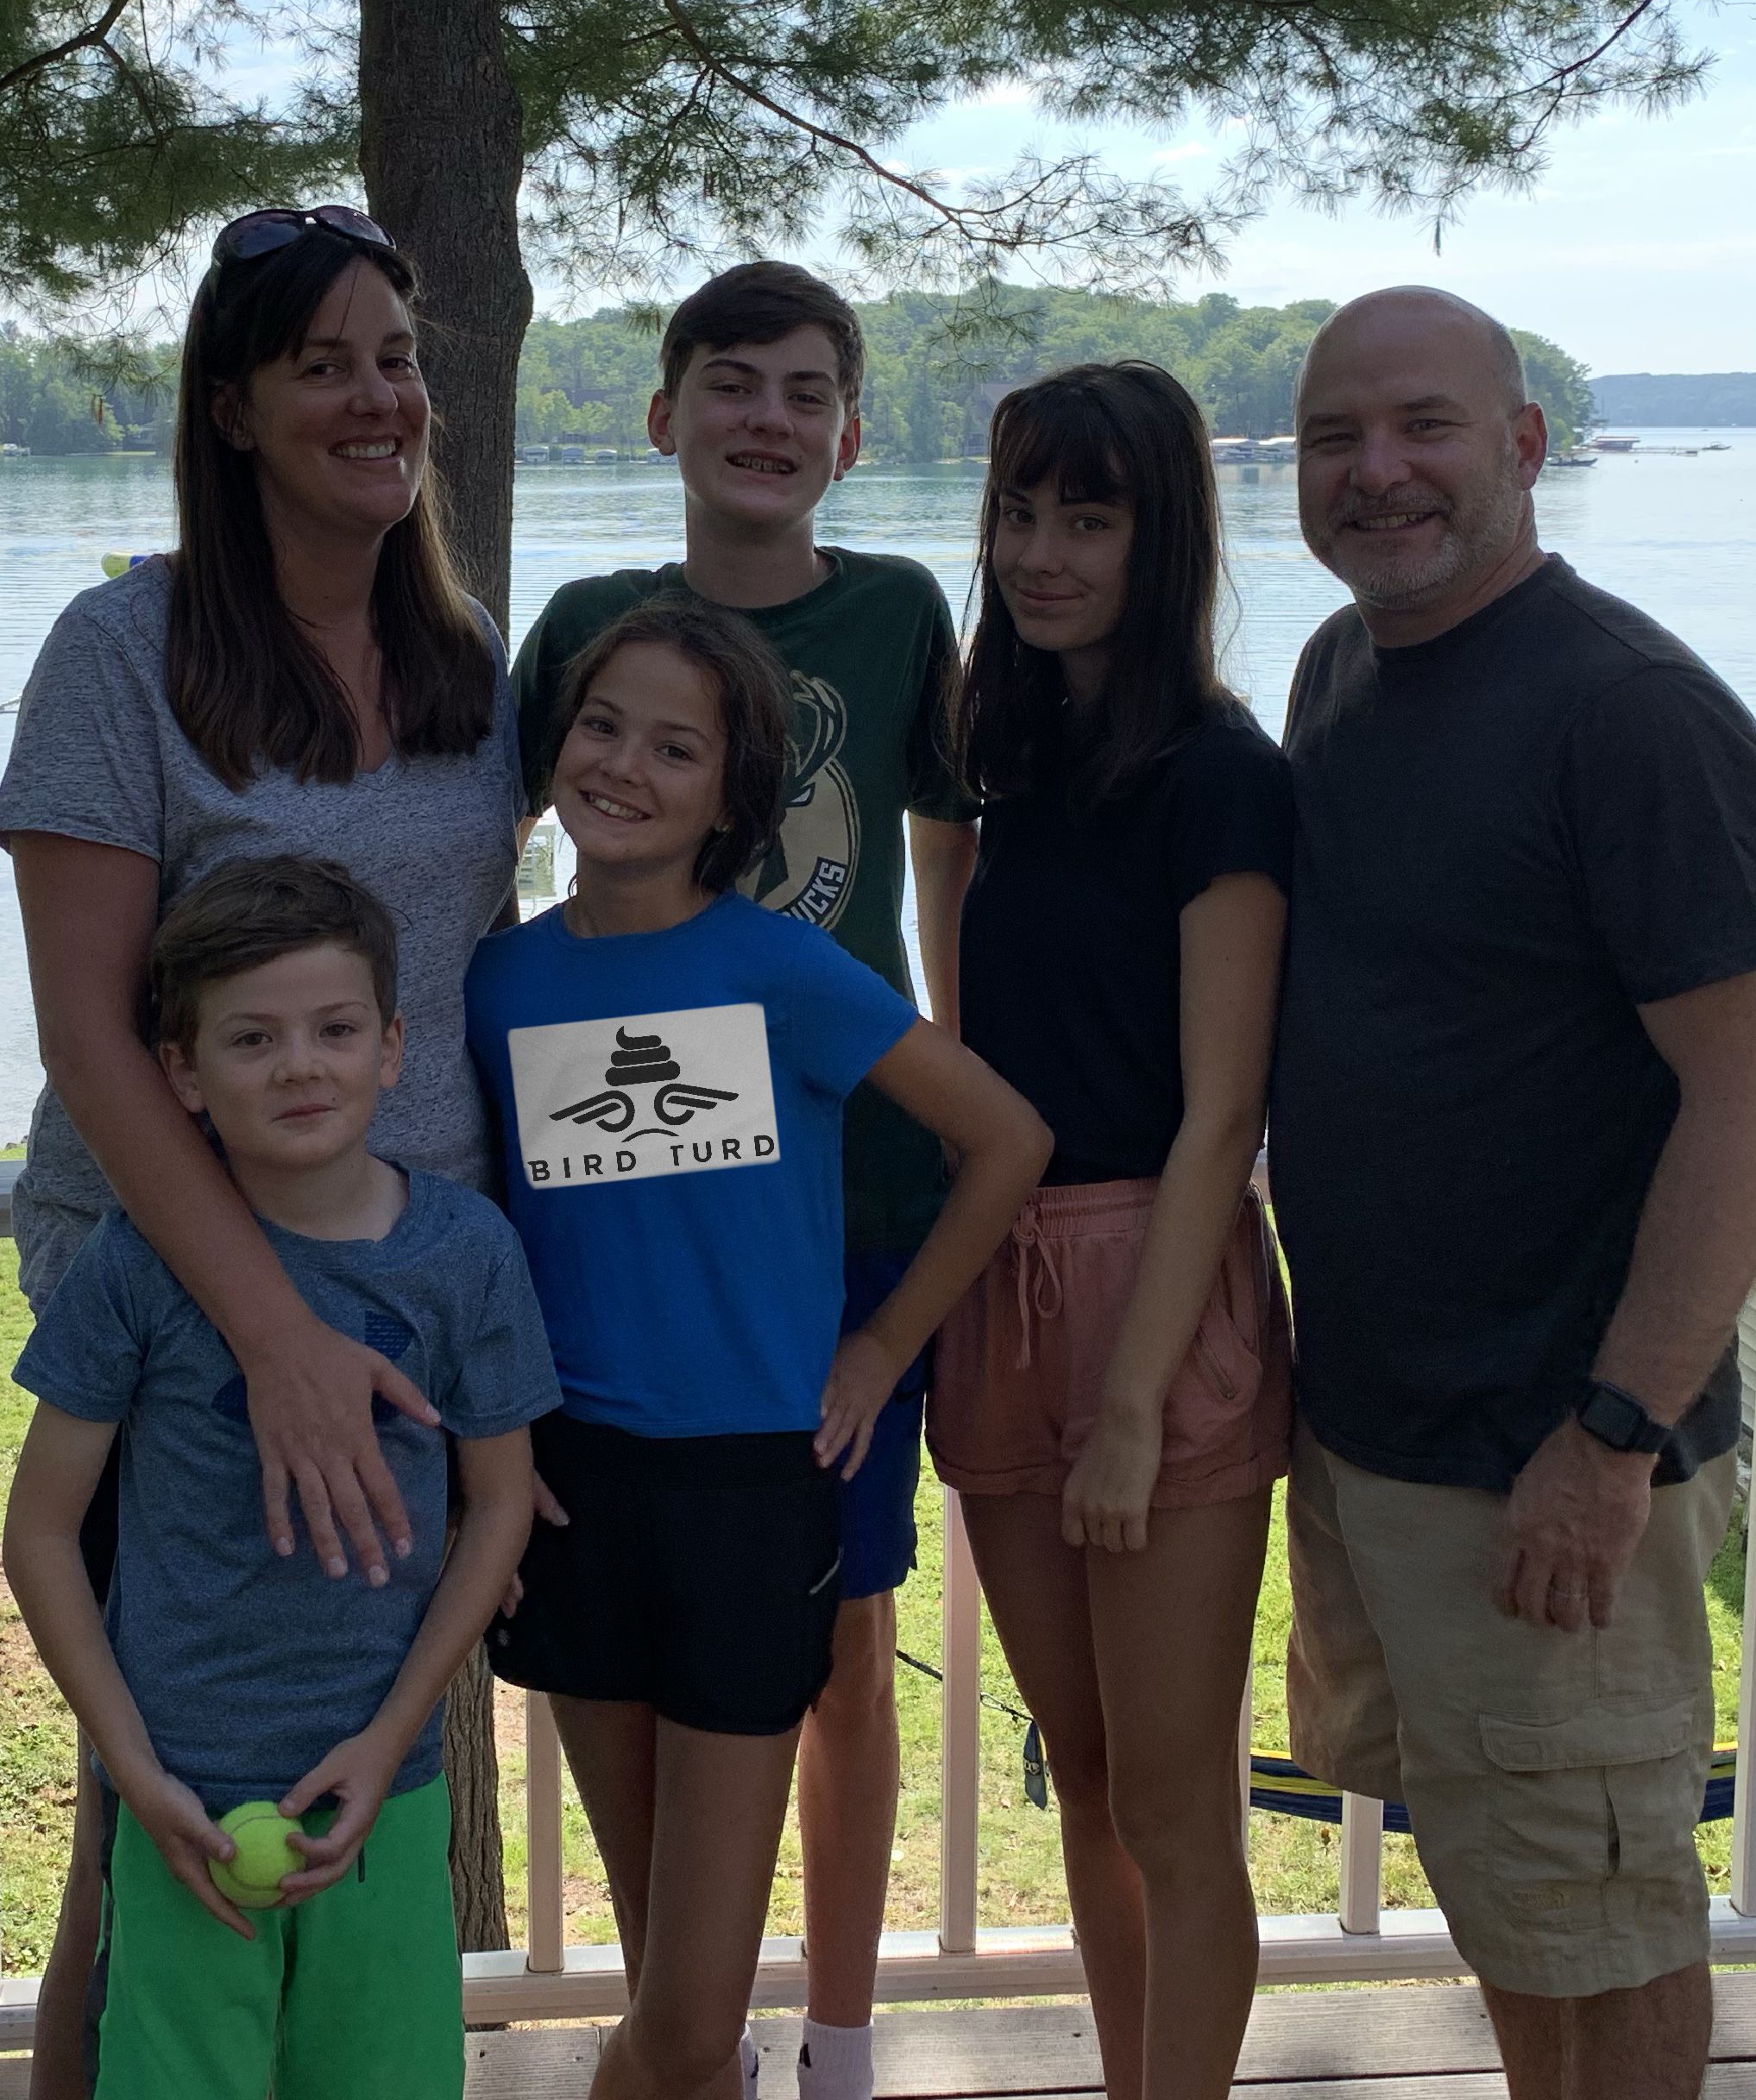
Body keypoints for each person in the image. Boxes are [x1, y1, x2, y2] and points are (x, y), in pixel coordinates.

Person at [0, 204, 522, 2096]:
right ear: (231, 410)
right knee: (155, 1841)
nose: (381, 400)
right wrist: (274, 1340)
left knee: (378, 1777)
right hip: (186, 1309)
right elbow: (90, 1034)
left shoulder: (463, 654)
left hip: (416, 1306)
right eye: (324, 367)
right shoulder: (119, 652)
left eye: (399, 360)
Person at [1272, 288, 1756, 2100]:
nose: (1377, 471)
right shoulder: (1342, 672)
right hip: (1384, 1427)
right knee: (1513, 1890)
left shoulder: (1631, 715)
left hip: (1554, 1448)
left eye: (1423, 426)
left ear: (1523, 444)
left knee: (1610, 1903)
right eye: (1335, 437)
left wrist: (1612, 1437)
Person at [473, 599, 1048, 2100]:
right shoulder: (498, 984)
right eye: (602, 727)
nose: (625, 766)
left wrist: (883, 1344)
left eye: (676, 748)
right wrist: (494, 1441)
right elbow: (476, 1231)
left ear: (735, 796)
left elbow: (1005, 1138)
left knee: (680, 2019)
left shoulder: (781, 969)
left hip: (752, 1490)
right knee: (668, 1987)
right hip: (573, 1489)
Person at [507, 261, 972, 2100]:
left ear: (849, 437)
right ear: (664, 414)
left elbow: (950, 866)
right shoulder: (589, 624)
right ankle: (688, 2034)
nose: (766, 420)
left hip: (853, 1220)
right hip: (624, 1249)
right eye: (730, 384)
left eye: (805, 393)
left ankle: (834, 2040)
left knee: (841, 1650)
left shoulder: (900, 611)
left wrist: (960, 1087)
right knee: (635, 1661)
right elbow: (495, 857)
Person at [2, 856, 553, 2100]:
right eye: (251, 1038)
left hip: (386, 1791)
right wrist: (134, 1771)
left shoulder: (465, 1253)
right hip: (179, 1801)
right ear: (183, 1073)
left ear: (394, 1048)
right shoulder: (137, 1265)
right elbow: (39, 1534)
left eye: (336, 1030)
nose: (300, 1066)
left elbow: (501, 1503)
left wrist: (392, 1736)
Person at [931, 362, 1294, 2100]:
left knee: (1172, 1793)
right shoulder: (1003, 756)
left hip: (1162, 1283)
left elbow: (1225, 1113)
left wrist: (1140, 1400)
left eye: (1089, 518)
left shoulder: (1219, 774)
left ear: (1165, 540)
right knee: (1079, 1770)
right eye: (1019, 513)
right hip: (1001, 1277)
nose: (1043, 553)